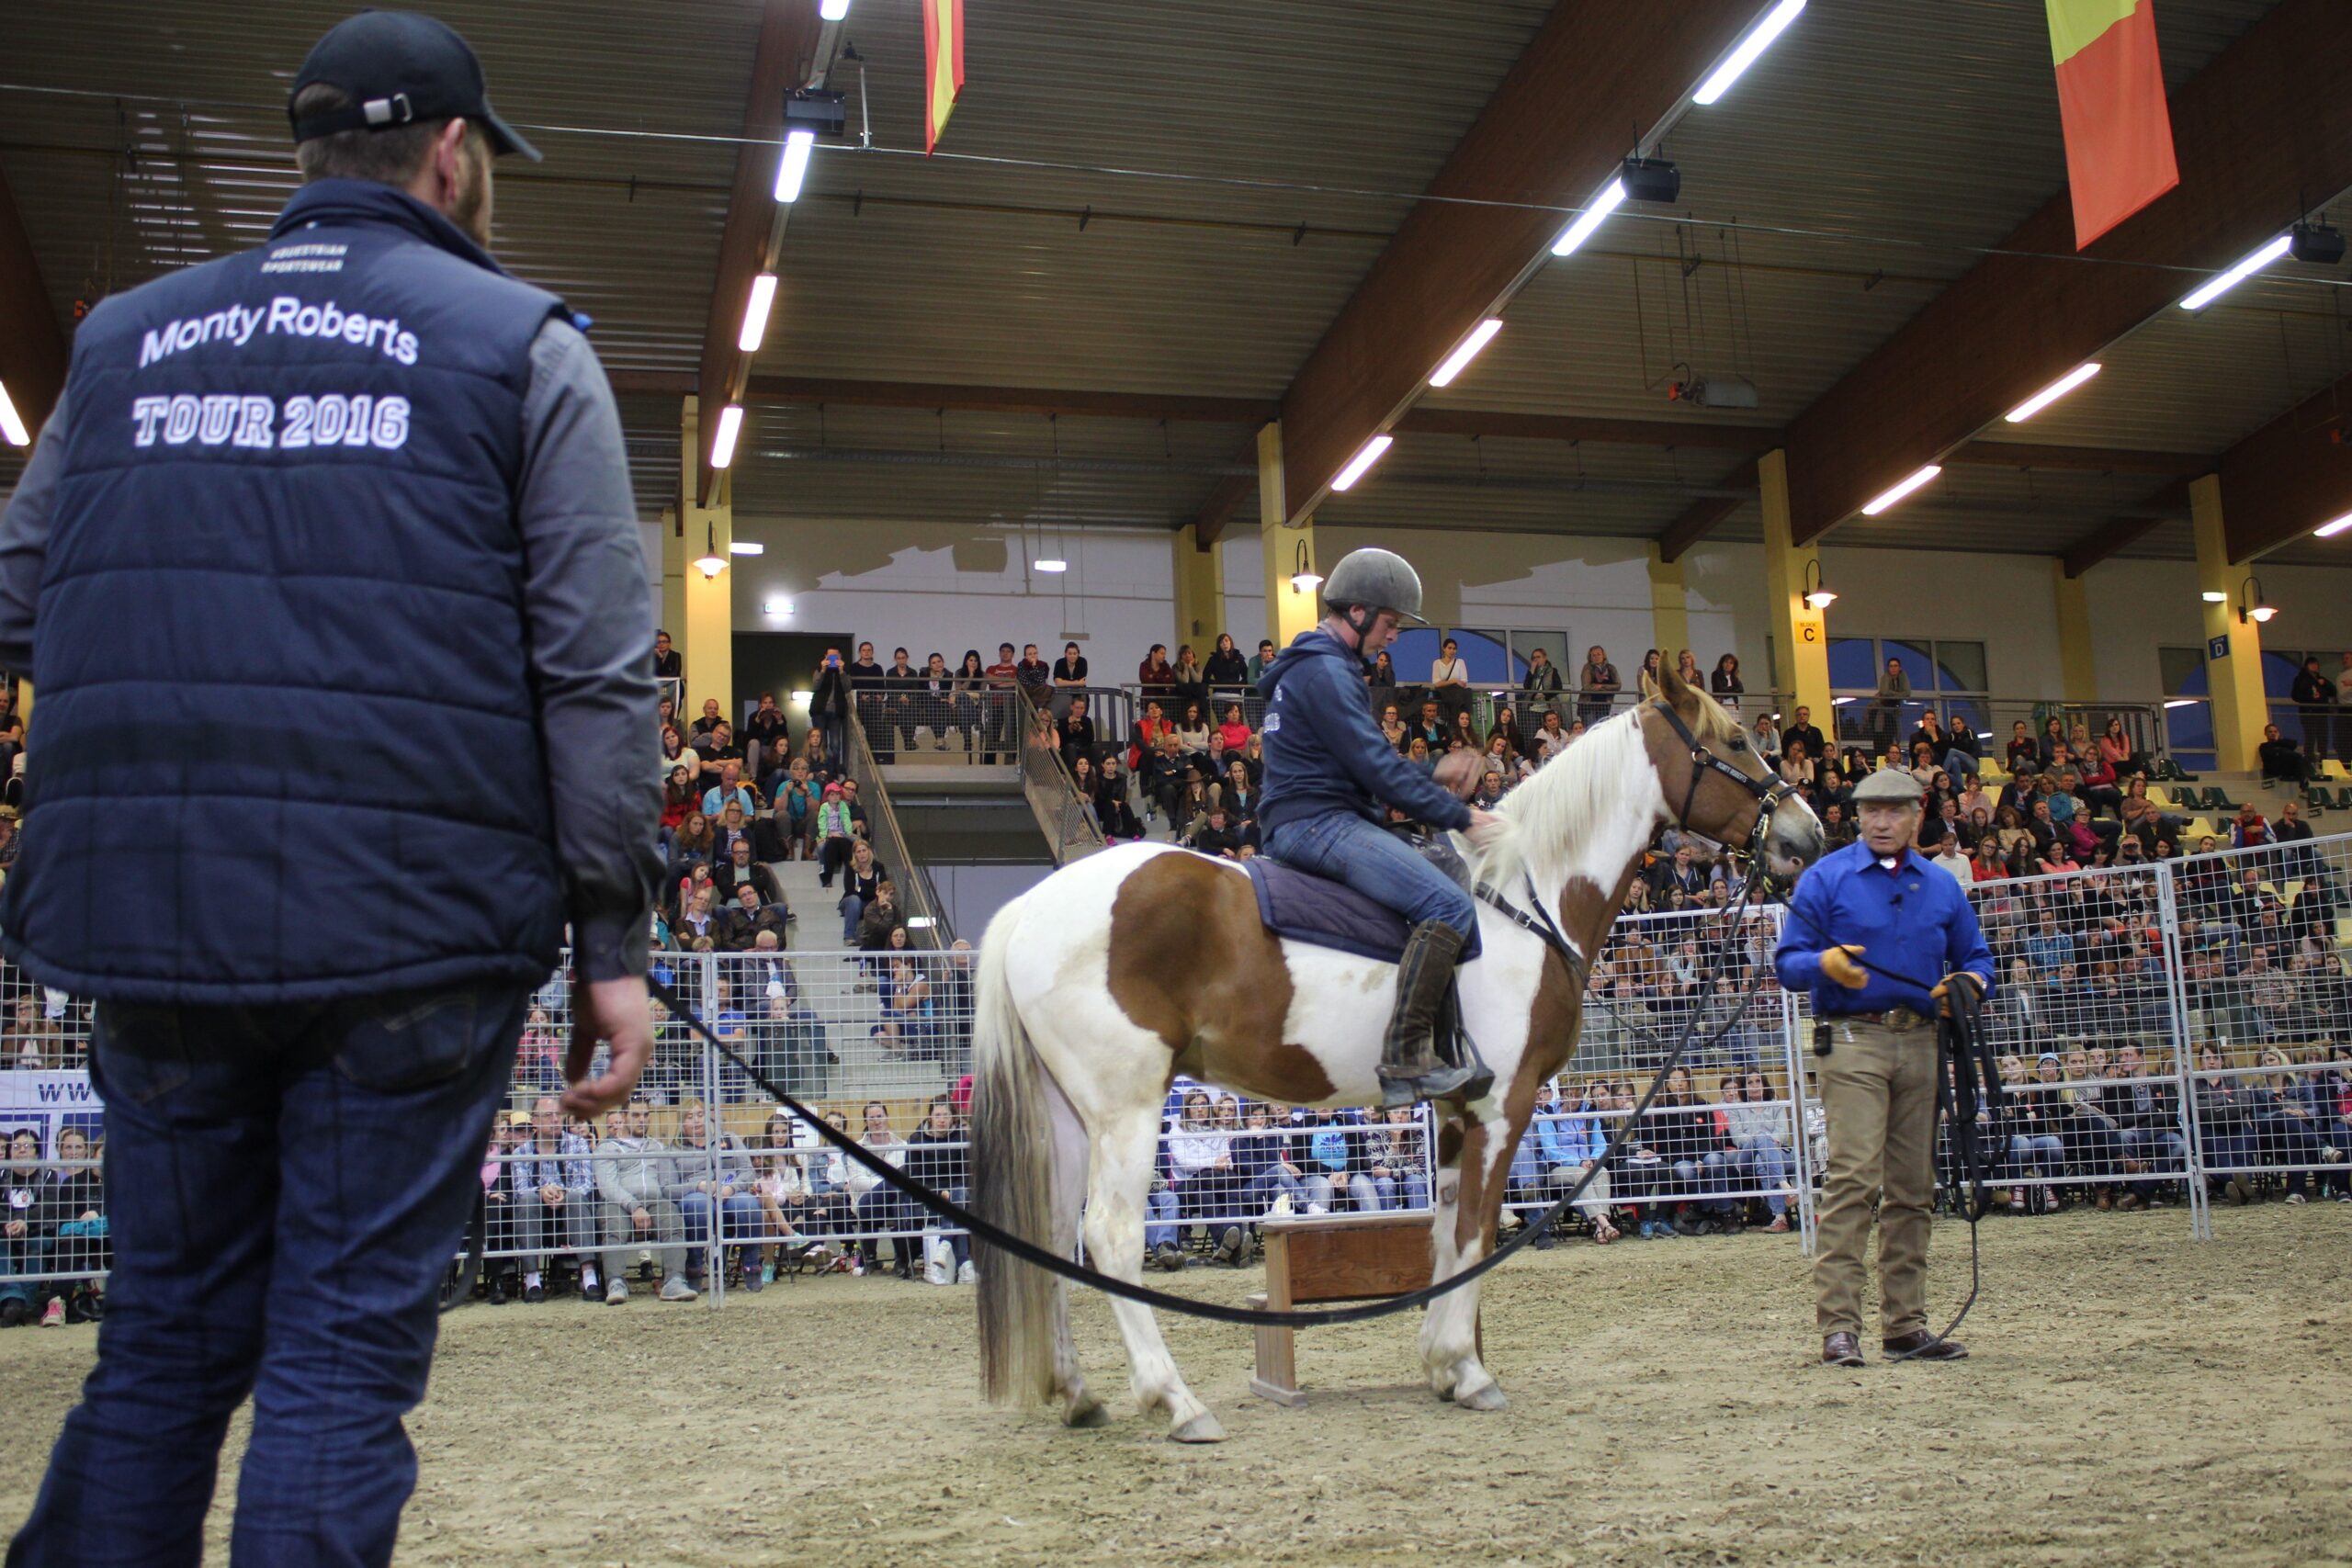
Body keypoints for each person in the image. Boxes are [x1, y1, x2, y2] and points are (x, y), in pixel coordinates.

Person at [0, 16, 663, 1562]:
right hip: (412, 941)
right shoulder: (523, 348)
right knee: (342, 1353)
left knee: (162, 1342)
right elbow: (596, 667)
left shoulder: (117, 344)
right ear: (451, 154)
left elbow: (19, 596)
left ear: (311, 157)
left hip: (155, 923)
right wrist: (612, 945)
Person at [1257, 549, 1503, 1105]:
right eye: (1390, 624)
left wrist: (1434, 769)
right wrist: (1462, 816)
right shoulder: (1325, 671)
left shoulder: (1320, 668)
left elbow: (1364, 763)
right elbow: (1375, 769)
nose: (1393, 636)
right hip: (1317, 824)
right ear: (1360, 612)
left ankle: (1446, 1046)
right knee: (1449, 907)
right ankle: (1405, 1058)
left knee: (1443, 871)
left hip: (1315, 814)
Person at [1776, 768, 1993, 1368]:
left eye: (1894, 810)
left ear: (1917, 815)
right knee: (1852, 1178)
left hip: (1923, 1039)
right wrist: (1826, 964)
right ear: (1857, 814)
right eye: (1870, 809)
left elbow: (1976, 956)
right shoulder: (1826, 878)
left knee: (1913, 1187)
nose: (1880, 819)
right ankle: (1839, 1327)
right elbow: (1788, 962)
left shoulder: (1943, 885)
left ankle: (1903, 1324)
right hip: (1853, 1040)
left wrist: (1970, 982)